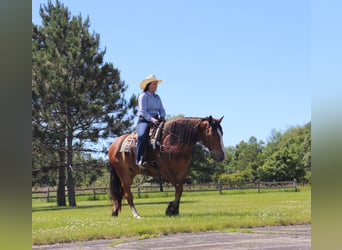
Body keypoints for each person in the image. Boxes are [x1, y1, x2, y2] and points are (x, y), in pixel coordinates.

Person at [136, 74, 166, 167]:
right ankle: (139, 159)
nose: (156, 85)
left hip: (157, 119)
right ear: (148, 85)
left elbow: (162, 109)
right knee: (142, 136)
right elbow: (143, 111)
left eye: (156, 84)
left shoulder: (157, 97)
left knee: (165, 135)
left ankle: (159, 158)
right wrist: (152, 119)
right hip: (144, 120)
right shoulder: (143, 96)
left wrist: (162, 116)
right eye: (154, 83)